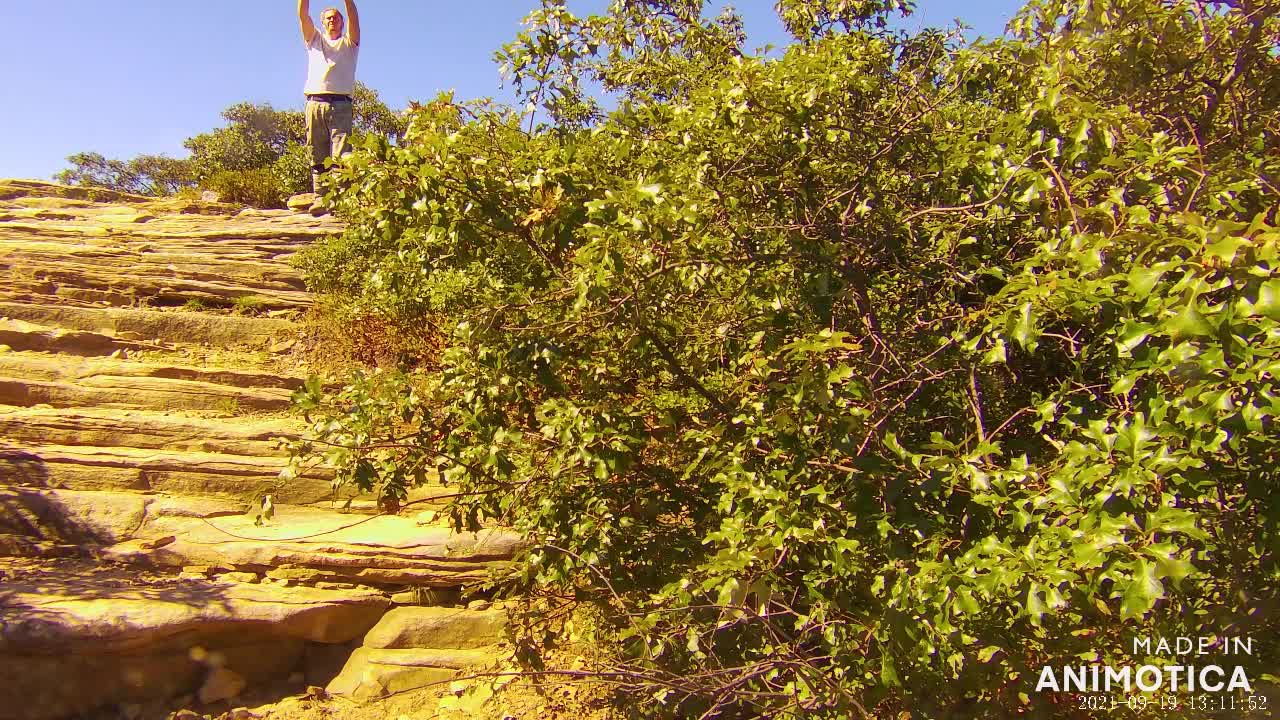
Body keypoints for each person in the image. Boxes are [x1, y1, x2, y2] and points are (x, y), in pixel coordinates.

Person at [298, 0, 361, 195]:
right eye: (328, 18)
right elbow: (303, 15)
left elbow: (353, 17)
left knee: (342, 154)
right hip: (315, 102)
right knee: (317, 151)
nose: (332, 20)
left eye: (336, 17)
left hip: (341, 104)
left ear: (342, 23)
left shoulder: (350, 43)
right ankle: (321, 197)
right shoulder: (314, 39)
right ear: (323, 23)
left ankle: (341, 199)